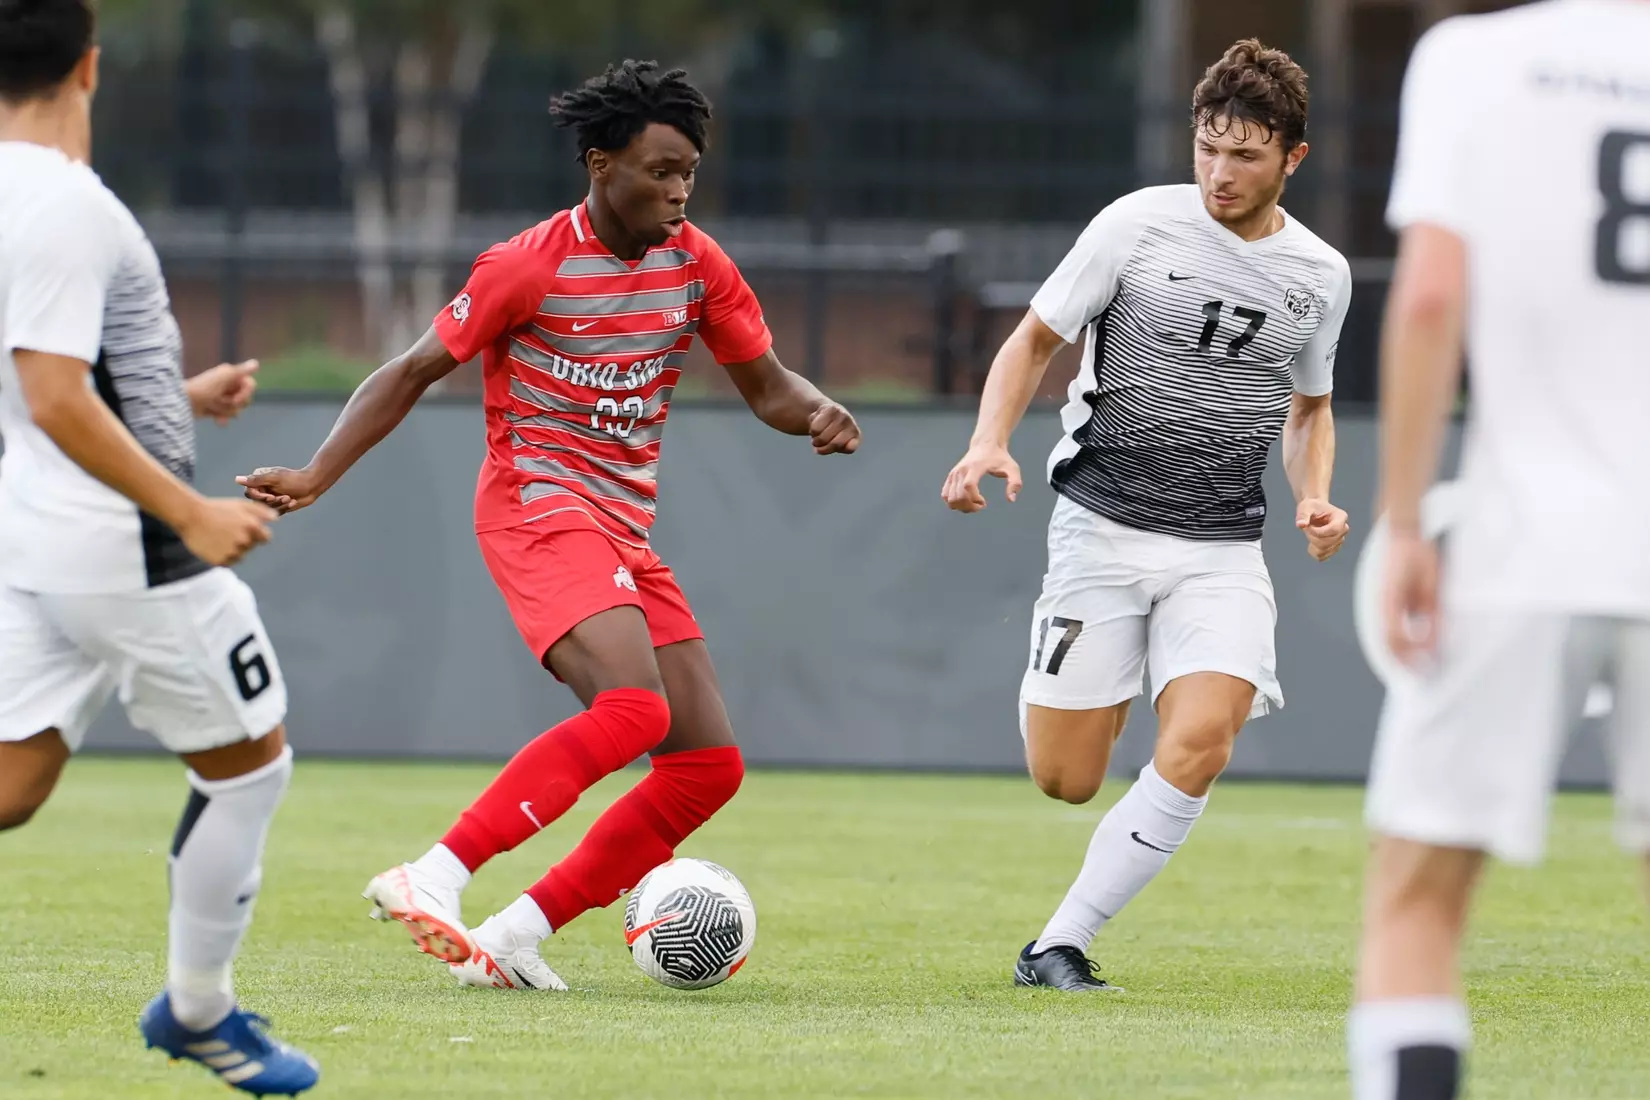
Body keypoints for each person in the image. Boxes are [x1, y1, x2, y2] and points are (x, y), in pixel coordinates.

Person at [240, 59, 861, 991]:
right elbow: (409, 370)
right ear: (600, 163)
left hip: (623, 527)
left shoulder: (698, 264)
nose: (679, 189)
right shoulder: (527, 264)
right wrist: (318, 473)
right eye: (660, 169)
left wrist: (818, 408)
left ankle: (517, 934)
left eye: (689, 169)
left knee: (706, 765)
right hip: (536, 506)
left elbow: (768, 387)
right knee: (633, 709)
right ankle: (433, 874)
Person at [942, 39, 1352, 991]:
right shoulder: (1136, 225)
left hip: (1221, 547)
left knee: (1205, 738)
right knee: (1067, 778)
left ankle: (1058, 943)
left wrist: (1315, 495)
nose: (1219, 171)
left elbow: (1309, 408)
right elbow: (1035, 338)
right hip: (1101, 529)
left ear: (1293, 157)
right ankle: (1097, 678)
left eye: (1246, 155)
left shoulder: (1320, 275)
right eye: (1209, 146)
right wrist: (987, 441)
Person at [0, 0, 318, 1093]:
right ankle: (198, 1010)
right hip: (124, 547)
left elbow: (42, 382)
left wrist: (175, 397)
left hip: (36, 535)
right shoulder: (64, 205)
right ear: (90, 64)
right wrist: (186, 508)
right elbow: (49, 393)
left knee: (12, 782)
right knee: (251, 765)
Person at [1352, 3, 1650, 1097]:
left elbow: (1431, 295)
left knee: (1416, 898)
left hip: (1523, 540)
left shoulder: (1473, 60)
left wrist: (1403, 517)